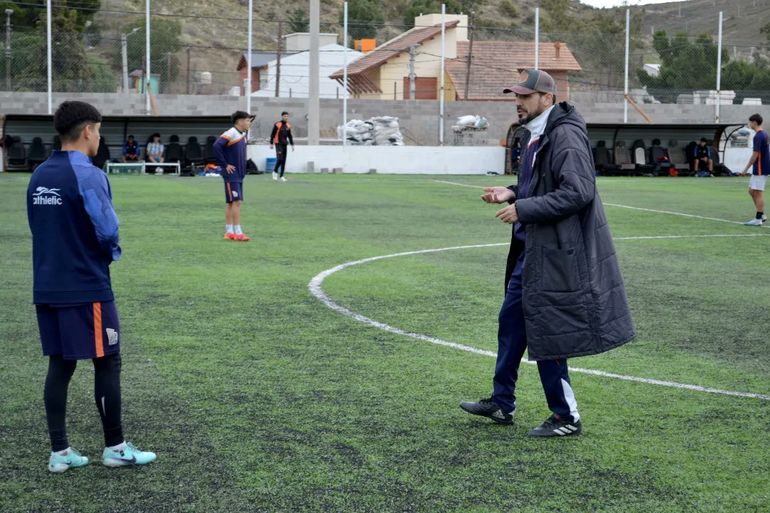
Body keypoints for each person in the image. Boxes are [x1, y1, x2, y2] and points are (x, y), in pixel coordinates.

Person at [459, 69, 635, 437]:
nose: (518, 103)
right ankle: (501, 402)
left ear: (546, 98)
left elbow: (578, 192)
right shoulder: (537, 135)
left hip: (556, 252)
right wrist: (512, 191)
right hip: (534, 250)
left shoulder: (565, 136)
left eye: (525, 96)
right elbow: (539, 185)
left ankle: (566, 416)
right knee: (511, 324)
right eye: (516, 96)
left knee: (549, 331)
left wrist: (524, 209)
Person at [26, 101, 156, 473]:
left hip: (47, 285)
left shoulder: (38, 175)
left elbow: (39, 227)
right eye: (99, 131)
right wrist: (109, 255)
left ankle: (60, 452)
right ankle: (115, 447)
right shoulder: (90, 174)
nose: (100, 138)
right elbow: (107, 230)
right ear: (87, 131)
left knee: (61, 364)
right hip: (86, 285)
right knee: (107, 360)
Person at [214, 110, 254, 241]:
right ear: (240, 121)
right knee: (236, 202)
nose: (249, 123)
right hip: (232, 174)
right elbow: (216, 146)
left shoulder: (242, 135)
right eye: (248, 120)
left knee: (231, 203)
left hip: (239, 174)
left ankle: (229, 232)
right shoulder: (231, 133)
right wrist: (225, 164)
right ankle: (238, 232)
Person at [741, 113, 770, 226]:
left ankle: (758, 219)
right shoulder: (764, 134)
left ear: (754, 122)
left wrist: (745, 169)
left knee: (757, 193)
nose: (749, 124)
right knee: (751, 191)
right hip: (760, 167)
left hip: (760, 168)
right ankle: (761, 214)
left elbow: (755, 155)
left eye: (750, 122)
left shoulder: (758, 136)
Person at [270, 111, 294, 182]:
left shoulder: (288, 126)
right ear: (282, 116)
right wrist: (271, 143)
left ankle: (282, 176)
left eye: (287, 116)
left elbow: (289, 136)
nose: (286, 117)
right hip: (278, 144)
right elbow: (273, 134)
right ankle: (274, 171)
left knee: (284, 161)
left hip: (284, 144)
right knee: (280, 159)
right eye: (285, 116)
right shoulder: (277, 124)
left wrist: (292, 144)